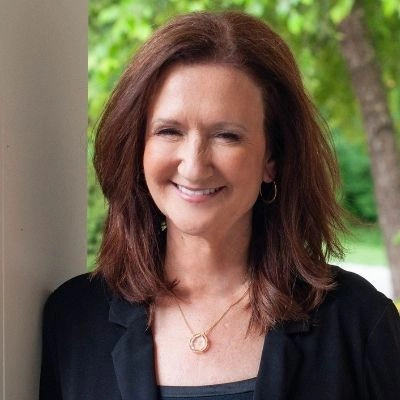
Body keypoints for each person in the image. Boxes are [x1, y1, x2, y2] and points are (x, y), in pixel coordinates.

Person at [39, 11, 400, 400]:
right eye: (169, 131)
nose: (194, 165)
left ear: (271, 159)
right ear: (138, 147)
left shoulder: (359, 322)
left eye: (227, 135)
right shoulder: (74, 318)